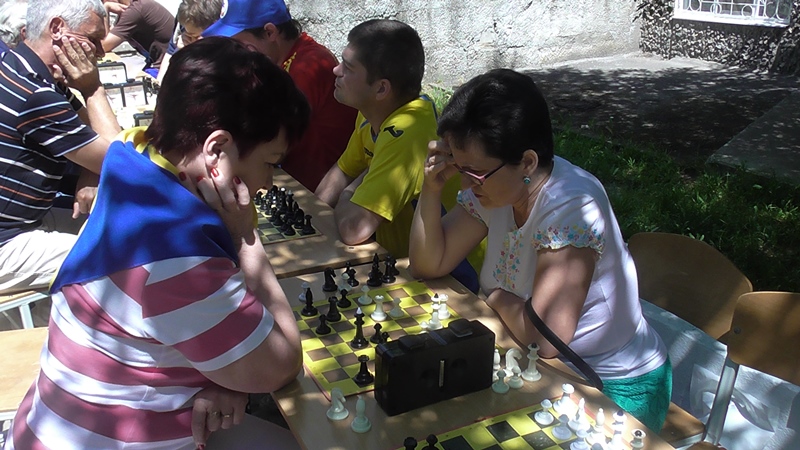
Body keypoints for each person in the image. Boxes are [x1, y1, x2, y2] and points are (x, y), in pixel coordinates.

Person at [4, 37, 309, 449]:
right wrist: (245, 236)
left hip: (51, 424)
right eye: (269, 163)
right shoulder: (178, 258)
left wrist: (230, 377)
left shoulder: (129, 158)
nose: (268, 183)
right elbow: (283, 363)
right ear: (217, 150)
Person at [408, 69, 671, 432]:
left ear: (528, 163)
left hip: (611, 386)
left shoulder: (571, 206)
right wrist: (431, 188)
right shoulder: (497, 186)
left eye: (474, 172)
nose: (465, 183)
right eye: (457, 165)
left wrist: (495, 296)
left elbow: (544, 339)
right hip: (538, 365)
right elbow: (428, 263)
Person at [0, 0, 120, 296]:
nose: (101, 52)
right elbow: (124, 162)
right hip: (7, 241)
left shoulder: (20, 68)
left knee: (114, 225)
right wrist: (93, 88)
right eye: (93, 39)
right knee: (123, 252)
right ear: (57, 29)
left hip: (21, 221)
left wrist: (91, 172)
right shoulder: (36, 95)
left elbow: (92, 134)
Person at [314, 19, 462, 260]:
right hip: (405, 263)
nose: (336, 71)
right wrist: (309, 215)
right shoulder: (370, 113)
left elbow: (355, 229)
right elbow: (341, 173)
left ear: (381, 89)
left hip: (452, 273)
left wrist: (348, 194)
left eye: (348, 68)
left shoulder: (407, 132)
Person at [202, 0, 356, 191]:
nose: (236, 50)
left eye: (239, 43)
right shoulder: (279, 60)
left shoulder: (309, 64)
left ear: (270, 32)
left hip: (312, 193)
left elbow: (263, 134)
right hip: (283, 180)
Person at [156, 0, 222, 84]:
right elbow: (170, 53)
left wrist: (193, 49)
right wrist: (160, 83)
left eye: (193, 35)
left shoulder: (224, 42)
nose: (186, 34)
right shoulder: (186, 20)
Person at [100, 0, 174, 68]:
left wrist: (105, 8)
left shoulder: (136, 11)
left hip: (167, 68)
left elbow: (103, 47)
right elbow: (107, 37)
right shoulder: (134, 8)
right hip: (159, 64)